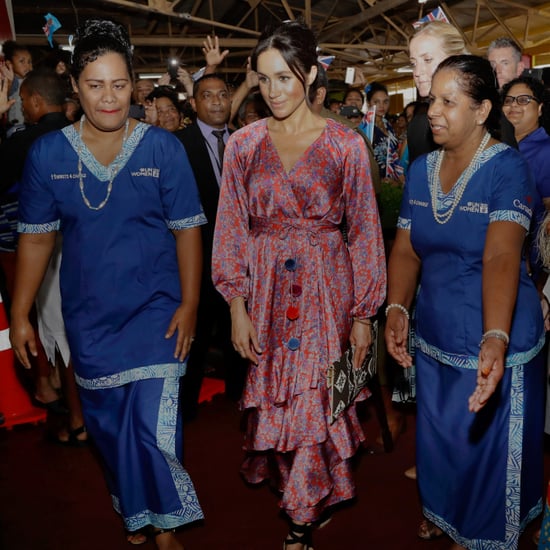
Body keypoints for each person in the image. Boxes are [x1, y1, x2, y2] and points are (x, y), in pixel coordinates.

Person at [10, 19, 205, 549]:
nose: (109, 97)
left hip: (157, 311)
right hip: (90, 316)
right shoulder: (47, 156)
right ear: (74, 86)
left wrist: (190, 303)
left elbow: (187, 231)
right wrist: (22, 312)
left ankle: (166, 526)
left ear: (134, 86)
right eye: (95, 85)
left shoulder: (163, 150)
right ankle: (136, 510)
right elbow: (34, 239)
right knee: (111, 429)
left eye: (119, 85)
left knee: (151, 423)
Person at [211, 19, 386, 550]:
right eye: (264, 80)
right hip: (263, 293)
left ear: (310, 74)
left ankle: (301, 518)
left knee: (315, 397)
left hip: (326, 289)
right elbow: (230, 227)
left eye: (285, 77)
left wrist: (363, 315)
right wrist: (236, 304)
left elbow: (364, 231)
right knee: (278, 404)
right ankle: (304, 493)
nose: (274, 91)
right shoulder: (242, 144)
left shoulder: (345, 145)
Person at [385, 54, 545, 550]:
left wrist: (494, 335)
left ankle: (480, 534)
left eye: (448, 101)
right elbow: (408, 247)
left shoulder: (507, 168)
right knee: (441, 441)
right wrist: (396, 307)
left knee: (488, 454)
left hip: (496, 336)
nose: (433, 110)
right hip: (434, 335)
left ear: (481, 110)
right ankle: (445, 512)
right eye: (432, 98)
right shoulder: (421, 168)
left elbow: (501, 255)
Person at [175, 73, 248, 418]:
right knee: (196, 335)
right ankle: (184, 408)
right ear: (194, 104)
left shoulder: (246, 141)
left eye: (223, 95)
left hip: (241, 259)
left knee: (241, 330)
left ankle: (242, 398)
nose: (217, 101)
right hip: (196, 257)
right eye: (208, 95)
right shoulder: (177, 144)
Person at [366, 81, 403, 182]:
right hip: (375, 181)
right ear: (369, 103)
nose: (381, 106)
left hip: (394, 179)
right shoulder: (366, 127)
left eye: (385, 101)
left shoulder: (387, 124)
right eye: (376, 102)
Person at [0, 40, 32, 137]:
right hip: (15, 127)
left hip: (27, 125)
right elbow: (6, 94)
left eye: (29, 62)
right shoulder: (12, 81)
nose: (27, 65)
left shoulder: (29, 80)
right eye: (22, 61)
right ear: (10, 64)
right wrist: (9, 82)